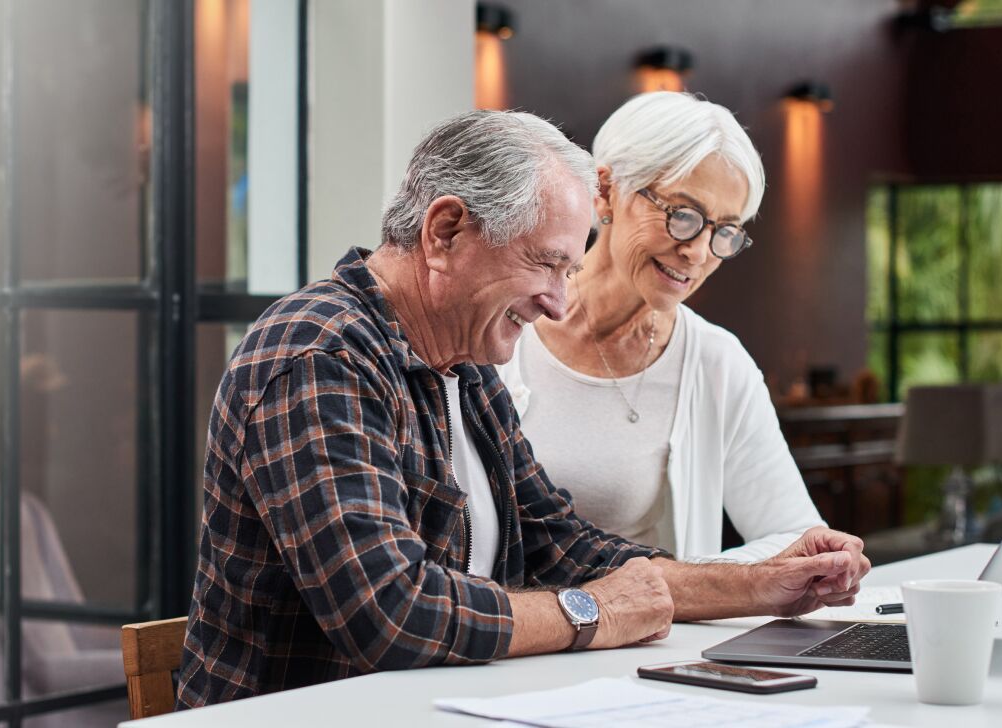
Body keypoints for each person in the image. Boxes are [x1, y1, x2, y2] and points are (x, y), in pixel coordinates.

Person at [176, 110, 869, 709]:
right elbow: (390, 614)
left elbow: (563, 544)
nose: (559, 304)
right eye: (547, 265)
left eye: (570, 271)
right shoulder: (318, 354)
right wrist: (592, 610)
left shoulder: (465, 363)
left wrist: (763, 586)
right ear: (446, 232)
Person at [499, 92, 826, 561]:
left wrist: (688, 584)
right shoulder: (502, 329)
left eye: (724, 230)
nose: (698, 252)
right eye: (683, 215)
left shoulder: (716, 363)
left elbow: (798, 539)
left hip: (650, 634)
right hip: (507, 628)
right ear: (606, 192)